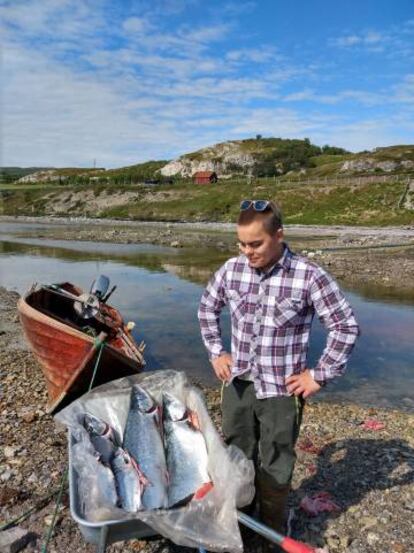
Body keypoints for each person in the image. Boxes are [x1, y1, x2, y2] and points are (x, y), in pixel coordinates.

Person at [198, 200, 359, 549]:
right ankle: (239, 520)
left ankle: (271, 527)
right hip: (238, 383)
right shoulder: (231, 270)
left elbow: (345, 326)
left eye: (255, 244)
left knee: (276, 461)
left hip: (282, 392)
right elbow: (207, 308)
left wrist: (319, 374)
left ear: (279, 235)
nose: (247, 251)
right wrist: (216, 352)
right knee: (236, 454)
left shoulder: (308, 275)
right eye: (241, 243)